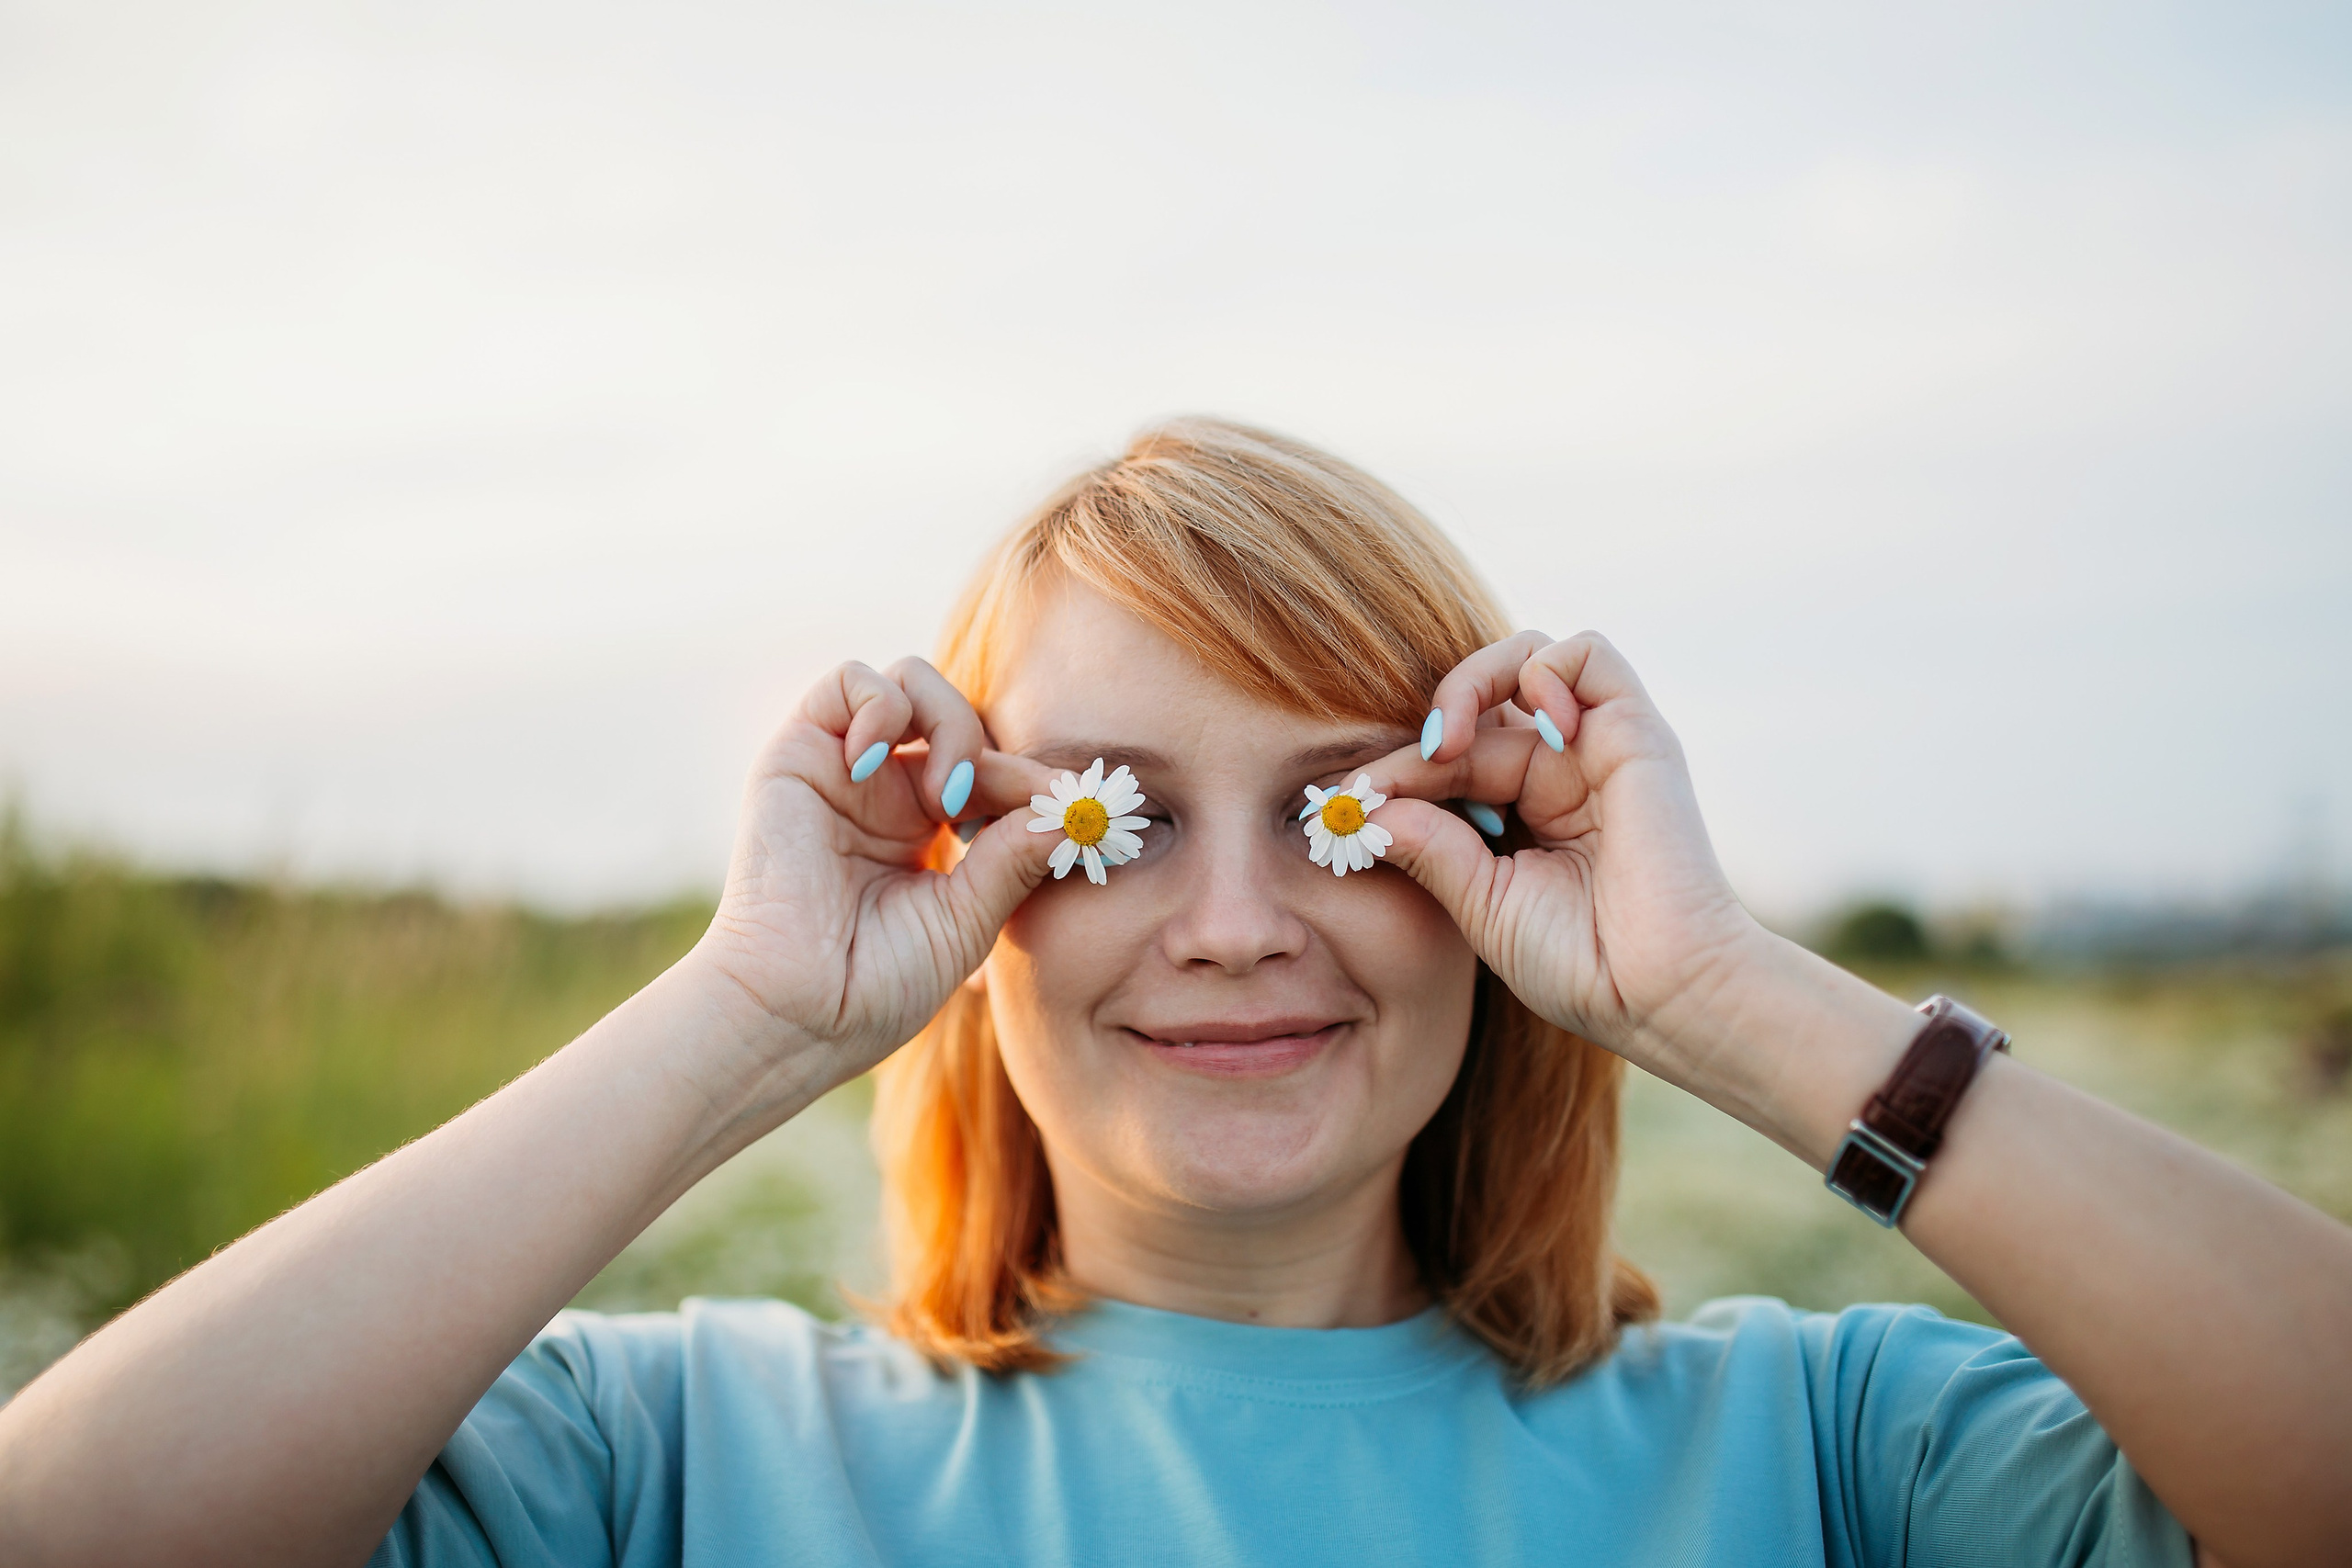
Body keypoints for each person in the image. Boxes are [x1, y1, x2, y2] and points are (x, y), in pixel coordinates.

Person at [1, 419, 2346, 1568]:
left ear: (1496, 868)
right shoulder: (668, 1457)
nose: (1233, 919)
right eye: (1108, 817)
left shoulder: (1828, 1455)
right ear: (975, 884)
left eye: (1344, 814)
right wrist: (745, 1021)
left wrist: (1715, 991)